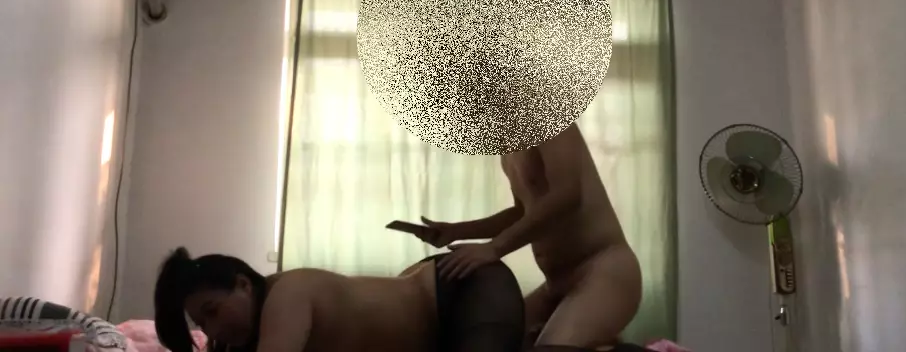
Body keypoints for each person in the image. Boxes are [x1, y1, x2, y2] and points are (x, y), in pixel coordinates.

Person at [416, 123, 642, 349]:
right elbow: (523, 213)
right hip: (555, 285)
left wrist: (494, 248)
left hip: (602, 270)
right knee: (493, 338)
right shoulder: (509, 148)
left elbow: (568, 196)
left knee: (546, 347)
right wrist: (456, 231)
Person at [152, 246, 524, 352]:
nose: (213, 330)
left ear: (243, 285)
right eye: (202, 324)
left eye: (213, 311)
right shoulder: (245, 336)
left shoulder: (288, 295)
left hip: (460, 288)